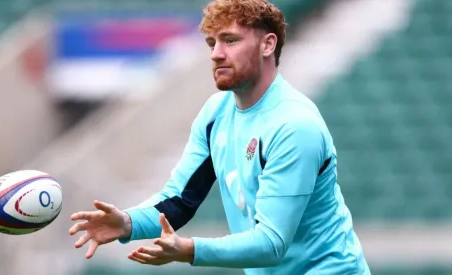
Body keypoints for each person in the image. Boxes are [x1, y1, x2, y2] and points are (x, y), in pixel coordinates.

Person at [69, 0, 371, 274]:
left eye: (230, 40)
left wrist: (189, 250)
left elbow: (272, 243)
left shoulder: (294, 125)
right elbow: (179, 200)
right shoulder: (216, 113)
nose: (216, 54)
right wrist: (128, 223)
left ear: (268, 45)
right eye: (212, 42)